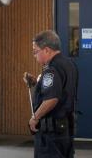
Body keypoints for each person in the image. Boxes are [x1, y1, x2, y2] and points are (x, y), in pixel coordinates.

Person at [24, 30, 78, 158]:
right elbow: (62, 91)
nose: (34, 55)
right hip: (65, 130)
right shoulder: (70, 64)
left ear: (47, 50)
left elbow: (51, 99)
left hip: (51, 134)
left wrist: (35, 118)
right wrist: (35, 83)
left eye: (35, 51)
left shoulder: (51, 69)